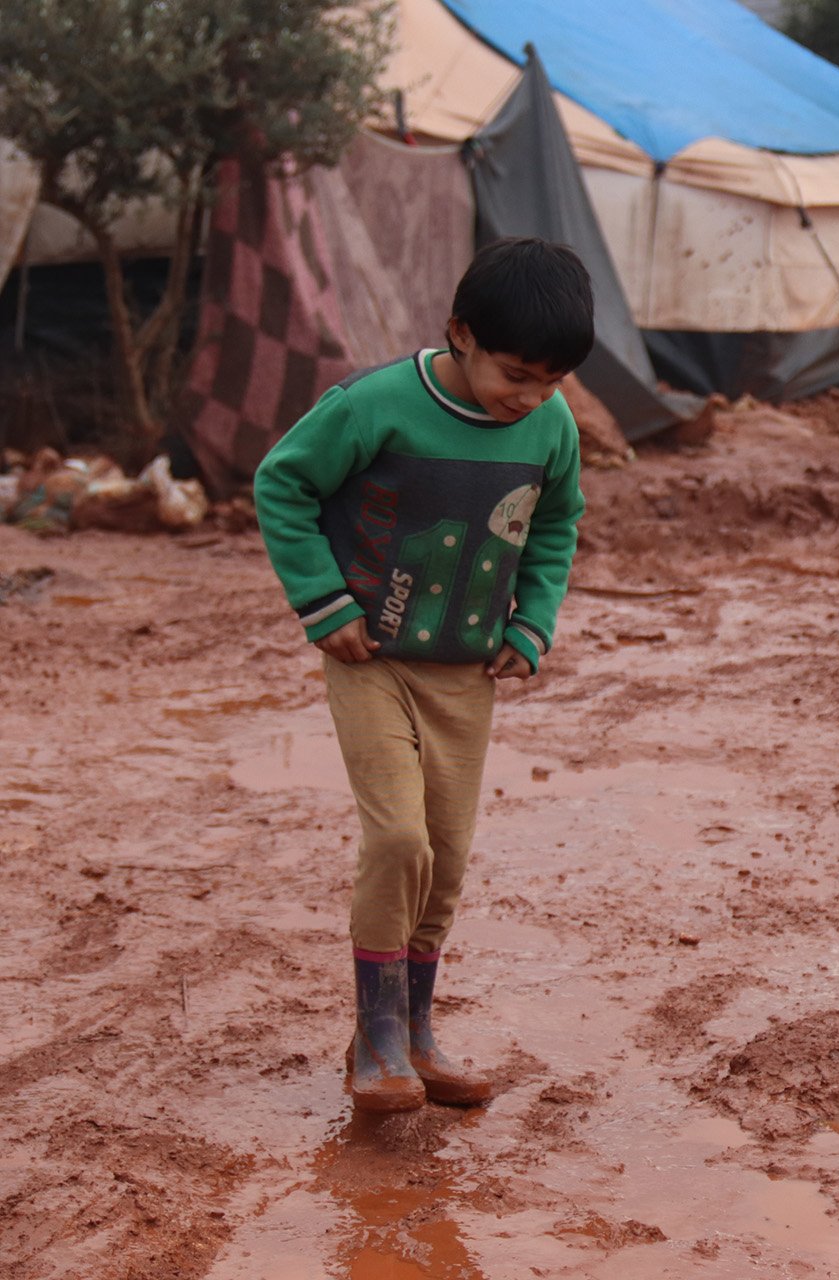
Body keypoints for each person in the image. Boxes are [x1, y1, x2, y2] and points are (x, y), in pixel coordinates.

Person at [254, 237, 592, 1113]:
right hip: (371, 660)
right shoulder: (375, 406)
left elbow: (556, 527)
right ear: (460, 334)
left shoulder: (550, 428)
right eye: (517, 374)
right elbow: (282, 483)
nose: (531, 397)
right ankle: (375, 1040)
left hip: (465, 675)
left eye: (551, 382)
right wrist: (324, 604)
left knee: (443, 862)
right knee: (398, 840)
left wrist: (533, 621)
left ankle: (415, 1035)